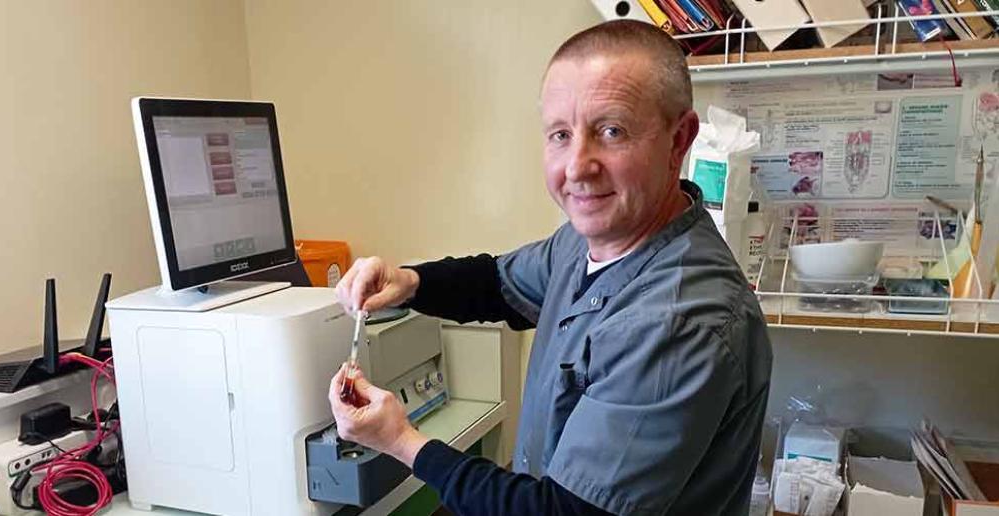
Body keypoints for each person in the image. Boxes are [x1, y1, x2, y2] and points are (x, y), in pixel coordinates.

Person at [329, 19, 772, 516]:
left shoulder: (677, 321)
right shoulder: (592, 240)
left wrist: (401, 441)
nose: (578, 166)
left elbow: (565, 513)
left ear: (678, 140)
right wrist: (410, 282)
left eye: (611, 131)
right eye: (560, 134)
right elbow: (497, 282)